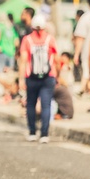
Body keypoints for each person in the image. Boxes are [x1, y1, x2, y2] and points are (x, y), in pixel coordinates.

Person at [19, 14, 57, 143]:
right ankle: (44, 134)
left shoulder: (27, 40)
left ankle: (32, 132)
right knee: (46, 105)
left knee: (31, 104)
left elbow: (23, 60)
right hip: (48, 77)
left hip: (32, 77)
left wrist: (21, 79)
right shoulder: (50, 39)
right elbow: (56, 59)